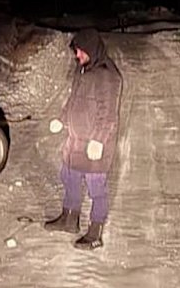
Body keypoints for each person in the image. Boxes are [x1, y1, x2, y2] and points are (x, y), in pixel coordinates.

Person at [44, 28, 123, 250]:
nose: (77, 56)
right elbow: (72, 102)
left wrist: (98, 141)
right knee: (69, 176)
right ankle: (69, 218)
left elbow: (109, 115)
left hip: (94, 145)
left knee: (96, 187)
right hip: (76, 141)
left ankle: (95, 231)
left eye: (80, 51)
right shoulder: (83, 72)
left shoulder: (108, 76)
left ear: (91, 49)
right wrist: (61, 119)